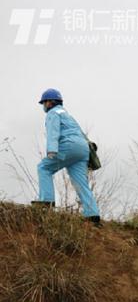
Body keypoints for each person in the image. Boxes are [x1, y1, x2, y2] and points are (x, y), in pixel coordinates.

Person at [34, 88, 100, 224]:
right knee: (81, 183)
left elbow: (53, 132)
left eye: (44, 103)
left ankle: (46, 201)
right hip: (83, 149)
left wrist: (51, 150)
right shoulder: (68, 115)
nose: (43, 106)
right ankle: (93, 215)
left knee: (43, 168)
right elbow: (81, 134)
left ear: (49, 102)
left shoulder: (53, 113)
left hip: (69, 146)